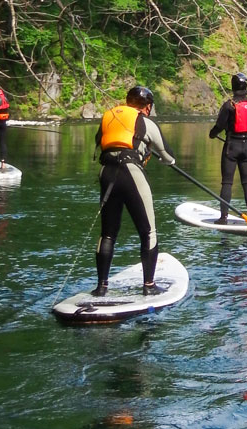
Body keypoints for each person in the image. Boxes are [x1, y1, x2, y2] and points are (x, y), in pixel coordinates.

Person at [92, 86, 176, 297]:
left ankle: (101, 286)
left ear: (127, 101)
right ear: (147, 107)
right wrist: (154, 154)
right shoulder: (146, 121)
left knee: (108, 233)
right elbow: (167, 156)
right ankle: (149, 285)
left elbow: (99, 144)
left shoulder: (108, 117)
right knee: (148, 231)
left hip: (106, 173)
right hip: (131, 172)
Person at [208, 73, 247, 224]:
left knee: (227, 182)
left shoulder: (228, 105)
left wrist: (212, 134)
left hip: (232, 147)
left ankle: (223, 217)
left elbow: (220, 126)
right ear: (246, 87)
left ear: (233, 87)